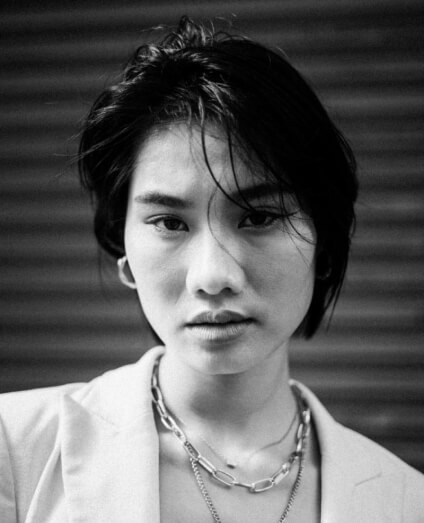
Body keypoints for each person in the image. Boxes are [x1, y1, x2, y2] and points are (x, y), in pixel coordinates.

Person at [0, 16, 423, 523]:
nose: (212, 276)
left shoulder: (406, 501)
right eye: (170, 223)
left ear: (324, 246)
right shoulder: (14, 452)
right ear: (124, 253)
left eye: (259, 217)